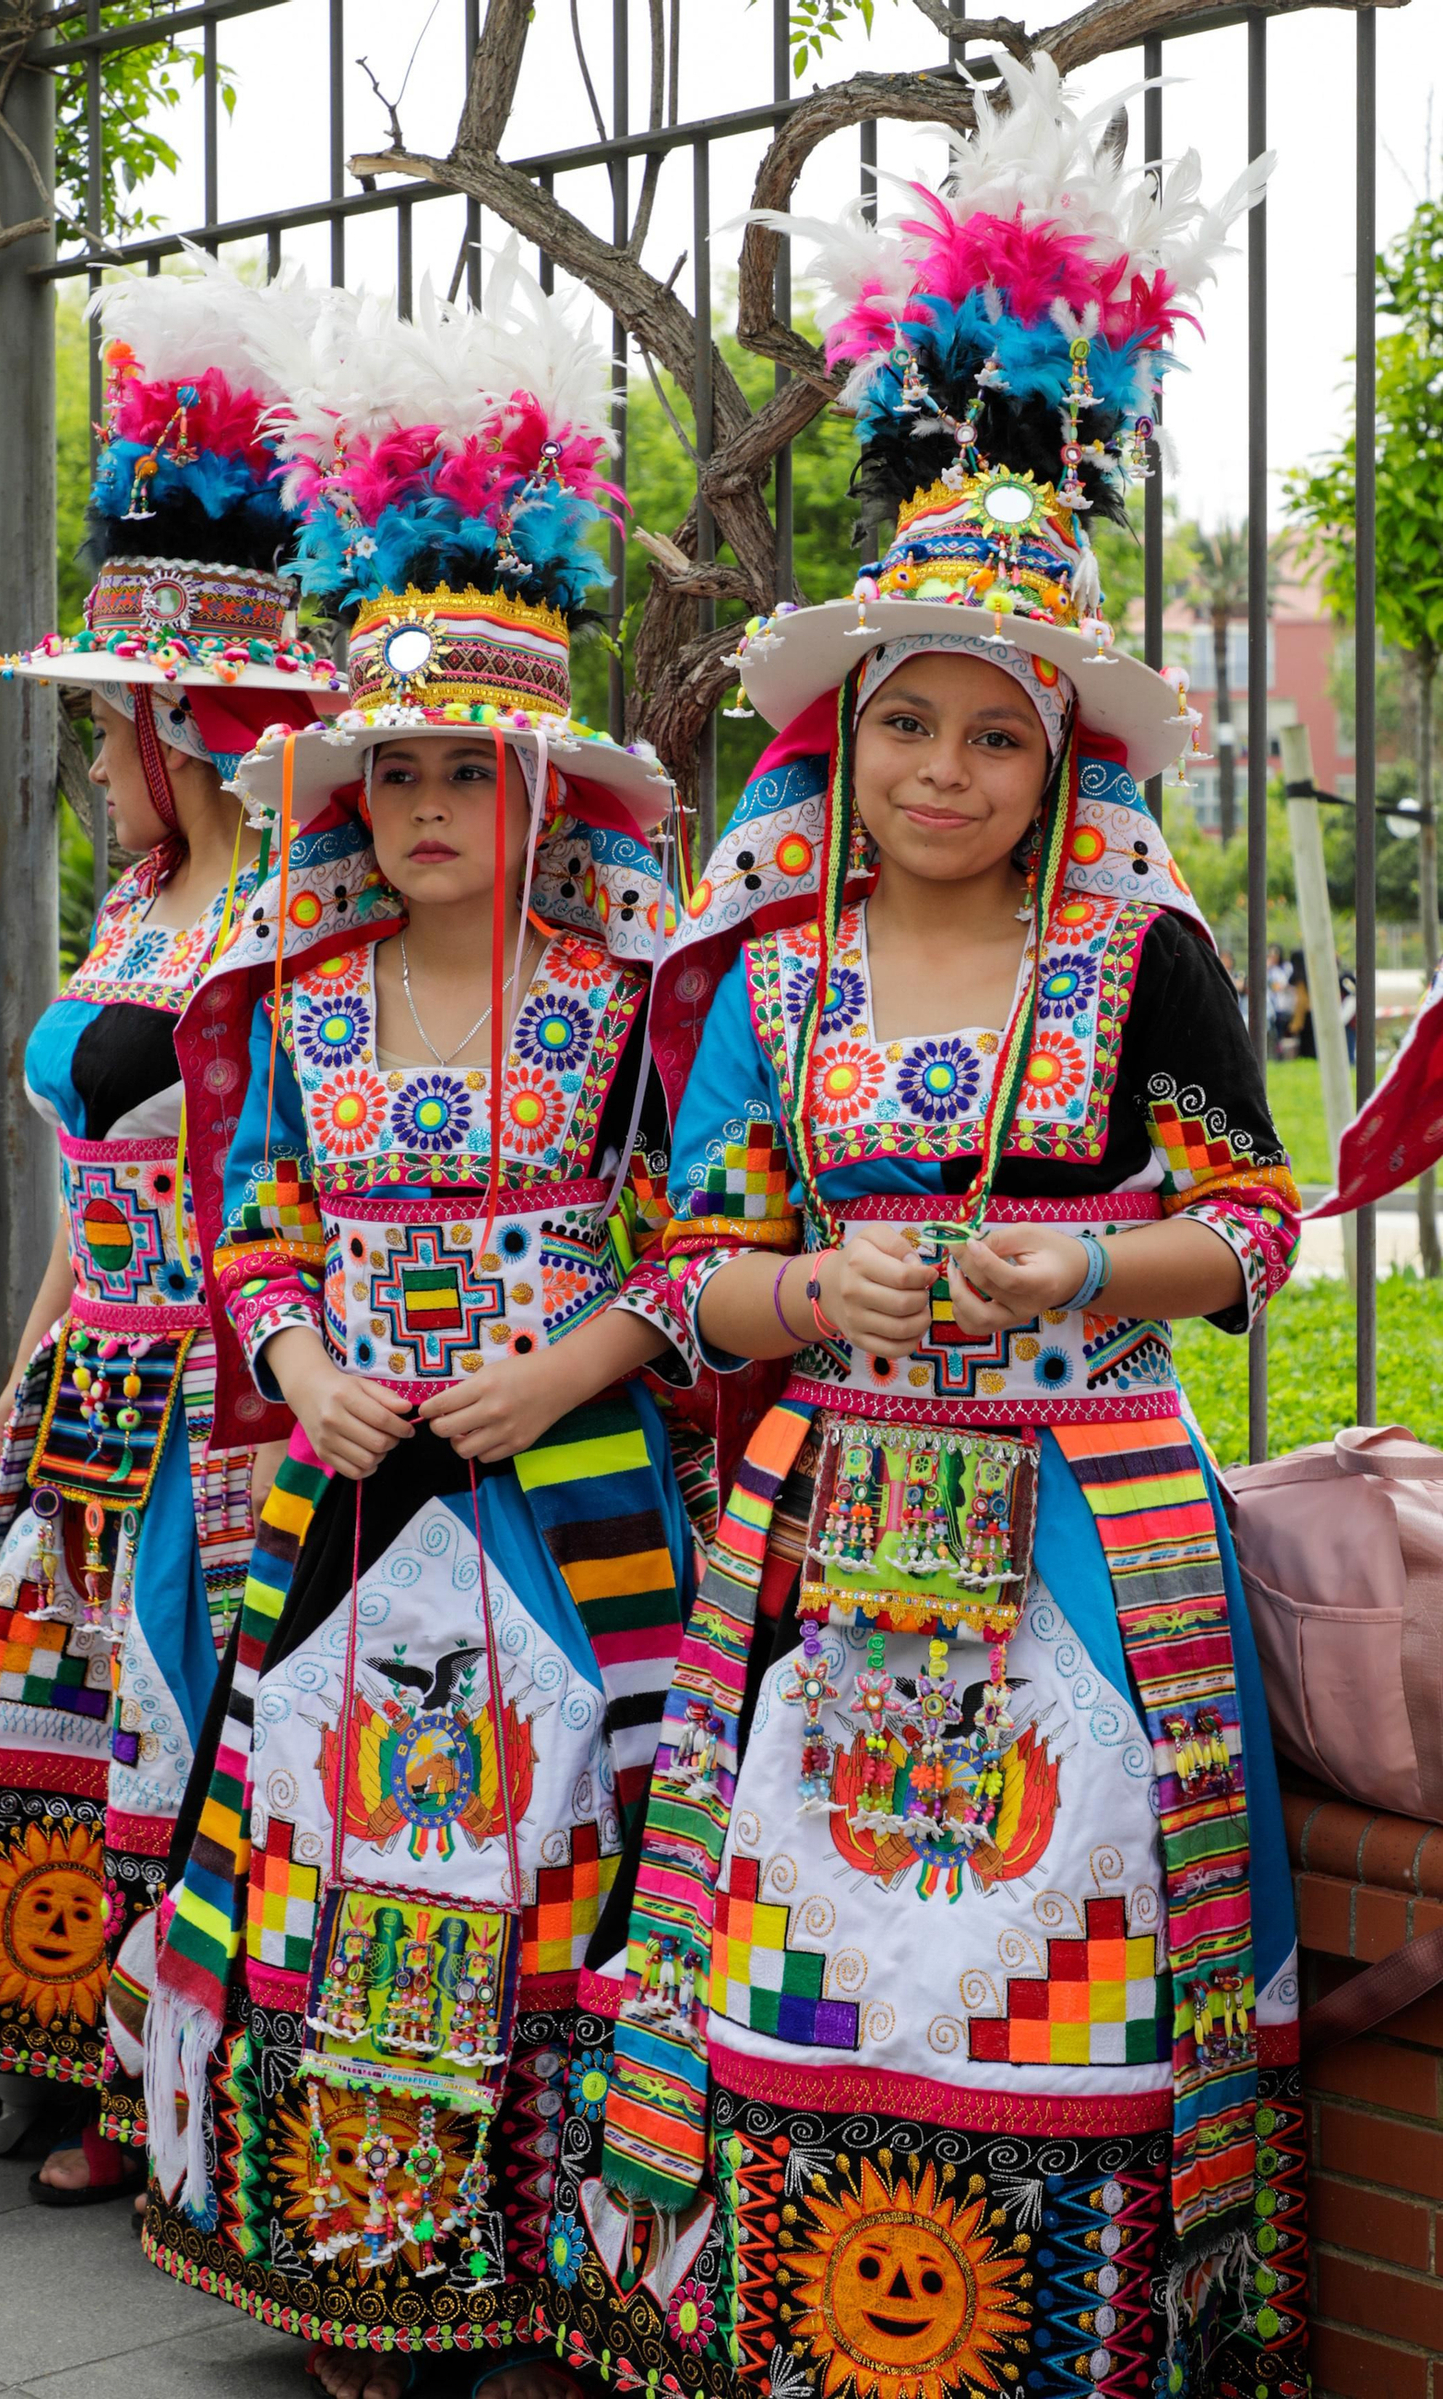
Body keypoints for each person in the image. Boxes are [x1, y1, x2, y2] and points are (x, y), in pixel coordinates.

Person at [550, 60, 1308, 2399]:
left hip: (1090, 1526)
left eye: (996, 739)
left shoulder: (1144, 959)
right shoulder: (770, 976)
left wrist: (1080, 1267)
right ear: (847, 737)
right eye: (909, 730)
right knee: (808, 1941)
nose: (945, 777)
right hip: (820, 1518)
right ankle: (801, 2349)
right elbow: (679, 1259)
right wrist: (807, 1291)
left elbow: (1261, 1223)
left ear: (1063, 762)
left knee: (1074, 1938)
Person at [138, 253, 701, 2399]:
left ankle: (557, 2263)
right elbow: (255, 1225)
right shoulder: (293, 1008)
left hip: (575, 1490)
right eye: (395, 779)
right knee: (343, 1820)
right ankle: (342, 2264)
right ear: (350, 801)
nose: (431, 809)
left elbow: (699, 1234)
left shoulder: (625, 1003)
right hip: (359, 1480)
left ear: (547, 795)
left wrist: (571, 1361)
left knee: (570, 1837)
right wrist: (295, 1367)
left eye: (471, 772)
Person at [0, 257, 342, 2205]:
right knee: (41, 1692)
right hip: (87, 1383)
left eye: (142, 708)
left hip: (213, 1406)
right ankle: (21, 2020)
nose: (125, 741)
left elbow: (267, 1176)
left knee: (168, 1712)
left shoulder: (285, 925)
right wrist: (37, 1336)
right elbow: (84, 1164)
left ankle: (142, 2080)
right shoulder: (142, 908)